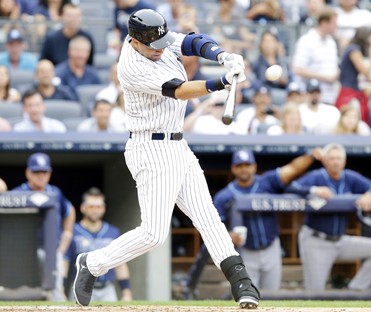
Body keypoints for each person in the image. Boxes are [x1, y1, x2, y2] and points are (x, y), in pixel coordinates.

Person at [72, 8, 260, 309]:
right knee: (154, 234)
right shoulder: (132, 65)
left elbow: (192, 42)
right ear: (135, 41)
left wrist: (223, 55)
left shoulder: (157, 39)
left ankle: (243, 285)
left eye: (161, 43)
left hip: (177, 145)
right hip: (150, 148)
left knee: (208, 217)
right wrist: (221, 82)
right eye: (152, 46)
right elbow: (181, 91)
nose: (160, 50)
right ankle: (93, 263)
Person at [213, 148, 322, 290]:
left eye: (247, 165)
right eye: (239, 166)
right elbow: (212, 226)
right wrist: (226, 236)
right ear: (233, 169)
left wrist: (310, 156)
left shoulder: (266, 182)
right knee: (248, 295)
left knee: (272, 296)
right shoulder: (224, 196)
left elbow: (292, 169)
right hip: (245, 251)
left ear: (254, 166)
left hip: (271, 247)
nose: (244, 169)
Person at [285, 143, 371, 291]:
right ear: (325, 161)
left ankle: (355, 290)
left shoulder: (349, 177)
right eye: (331, 158)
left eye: (338, 158)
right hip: (316, 241)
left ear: (344, 161)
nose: (335, 162)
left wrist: (370, 195)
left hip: (340, 240)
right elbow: (291, 187)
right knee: (315, 293)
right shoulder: (317, 176)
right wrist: (314, 190)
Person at [12, 152, 76, 301]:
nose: (40, 175)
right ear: (28, 173)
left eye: (44, 172)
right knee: (25, 292)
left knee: (56, 293)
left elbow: (70, 210)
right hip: (25, 253)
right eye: (36, 172)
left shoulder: (55, 192)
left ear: (49, 173)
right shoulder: (18, 193)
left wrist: (66, 236)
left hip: (52, 250)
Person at [65, 187, 133, 302]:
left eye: (99, 207)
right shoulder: (73, 230)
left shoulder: (113, 232)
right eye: (91, 206)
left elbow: (120, 263)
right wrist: (60, 290)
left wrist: (126, 292)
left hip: (107, 288)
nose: (95, 210)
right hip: (79, 287)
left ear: (104, 208)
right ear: (83, 207)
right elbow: (64, 261)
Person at [292, 6, 340, 105]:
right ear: (324, 23)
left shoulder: (331, 42)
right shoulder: (307, 41)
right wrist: (325, 77)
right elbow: (297, 69)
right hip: (312, 97)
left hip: (330, 96)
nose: (336, 26)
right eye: (334, 23)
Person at [334, 27, 371, 126]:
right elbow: (366, 72)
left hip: (352, 90)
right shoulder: (353, 50)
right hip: (349, 92)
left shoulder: (354, 49)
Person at [55, 36, 101, 100]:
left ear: (89, 53)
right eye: (77, 50)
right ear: (69, 51)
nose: (80, 55)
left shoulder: (93, 74)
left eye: (84, 51)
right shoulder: (59, 73)